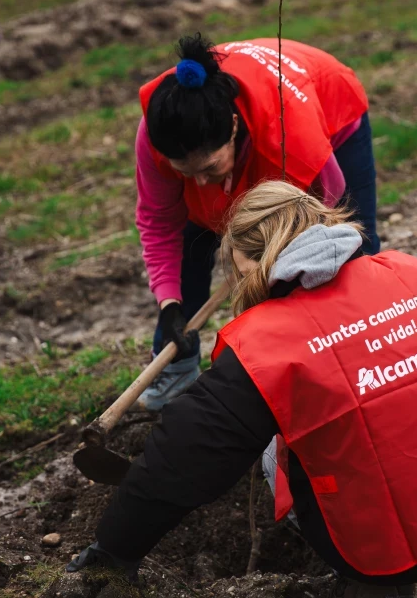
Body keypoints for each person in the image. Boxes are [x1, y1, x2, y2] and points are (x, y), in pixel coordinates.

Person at [69, 181, 417, 598]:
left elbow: (184, 456)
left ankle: (366, 578)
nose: (243, 284)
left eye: (243, 271)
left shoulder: (267, 347)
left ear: (265, 261)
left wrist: (115, 548)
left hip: (375, 554)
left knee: (271, 444)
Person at [135, 33, 379, 410]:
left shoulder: (290, 139)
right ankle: (175, 370)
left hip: (325, 98)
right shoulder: (162, 132)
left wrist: (274, 259)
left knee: (348, 250)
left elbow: (328, 217)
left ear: (233, 127)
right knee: (188, 245)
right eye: (184, 172)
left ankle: (360, 349)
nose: (199, 184)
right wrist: (170, 303)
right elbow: (159, 224)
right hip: (251, 124)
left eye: (209, 167)